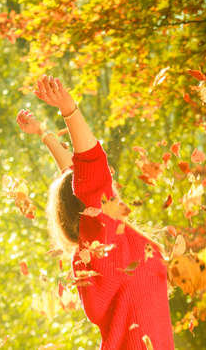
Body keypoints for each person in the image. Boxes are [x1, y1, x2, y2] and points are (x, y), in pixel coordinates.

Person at [16, 75, 175, 350]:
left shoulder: (97, 246)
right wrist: (68, 108)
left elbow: (74, 177)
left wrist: (45, 134)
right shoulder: (105, 236)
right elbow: (88, 168)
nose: (109, 177)